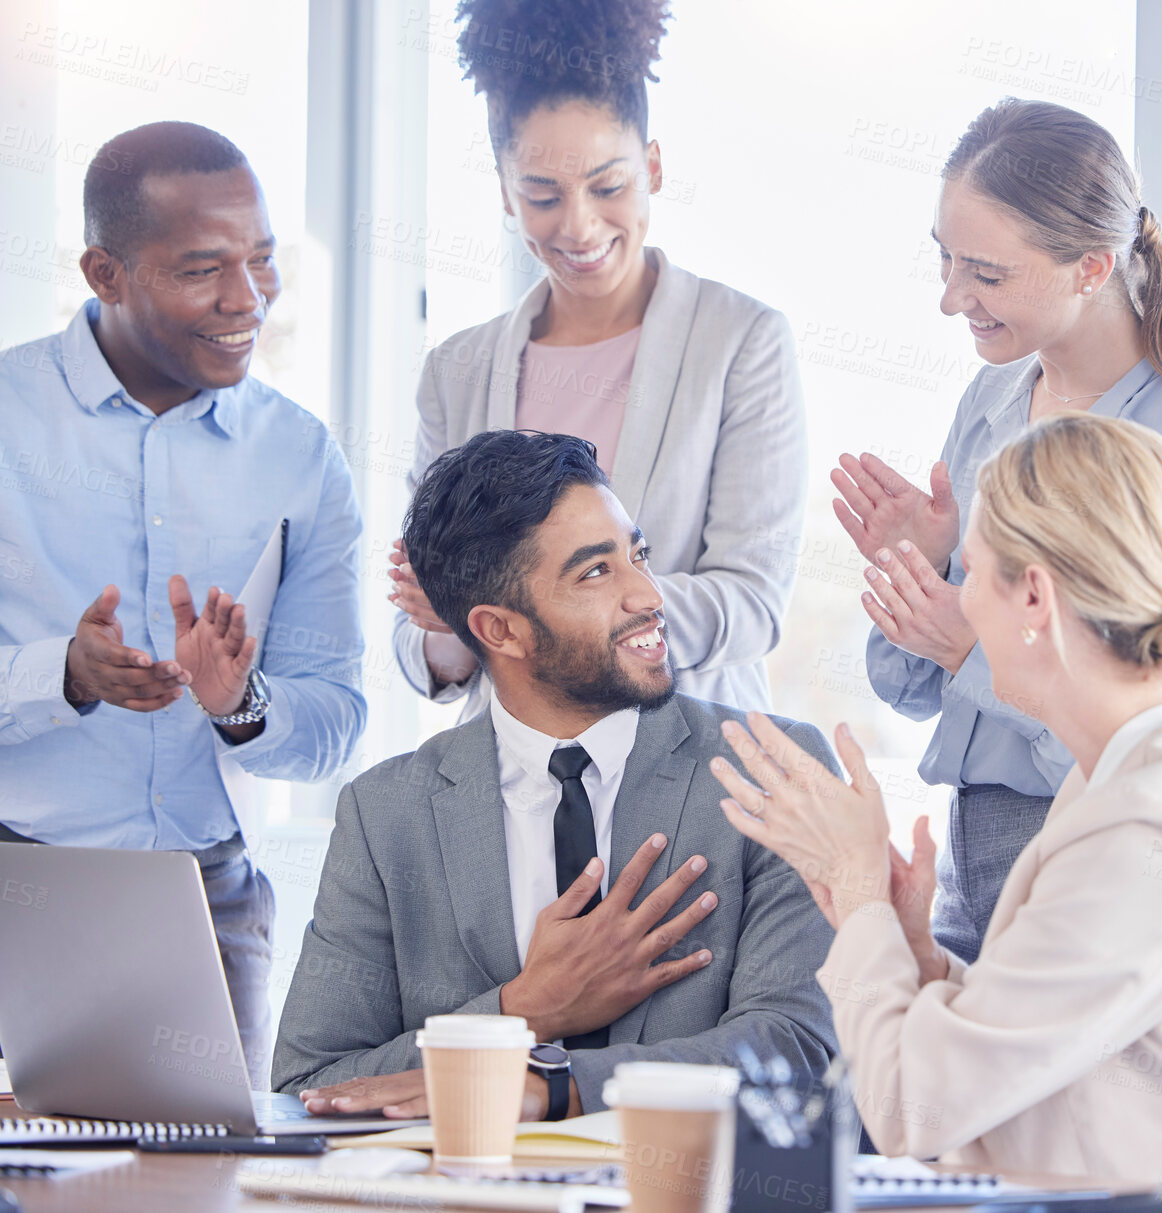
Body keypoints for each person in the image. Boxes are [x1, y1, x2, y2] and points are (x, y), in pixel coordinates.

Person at [714, 413, 1162, 1185]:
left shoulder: (1148, 823)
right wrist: (915, 951)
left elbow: (913, 1108)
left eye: (971, 574)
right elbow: (1037, 1040)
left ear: (1034, 594)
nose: (964, 603)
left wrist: (858, 884)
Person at [274, 430, 836, 1120]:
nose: (647, 594)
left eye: (638, 555)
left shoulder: (772, 767)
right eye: (596, 572)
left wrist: (552, 1085)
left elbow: (801, 1050)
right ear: (500, 630)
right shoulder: (386, 811)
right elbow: (312, 1081)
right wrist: (523, 1010)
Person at [832, 99, 1162, 964]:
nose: (953, 299)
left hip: (1106, 866)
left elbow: (1161, 751)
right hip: (974, 850)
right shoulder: (992, 401)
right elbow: (910, 690)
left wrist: (968, 646)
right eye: (945, 260)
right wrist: (921, 564)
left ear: (1092, 267)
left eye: (985, 273)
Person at [0, 122, 366, 1087]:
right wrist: (62, 675)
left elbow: (333, 717)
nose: (246, 300)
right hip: (18, 880)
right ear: (104, 272)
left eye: (262, 261)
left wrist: (238, 703)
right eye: (204, 268)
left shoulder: (300, 456)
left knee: (199, 1194)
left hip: (211, 902)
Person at [388, 0, 804, 719]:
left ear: (653, 167)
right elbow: (423, 641)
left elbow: (751, 602)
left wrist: (538, 606)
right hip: (509, 775)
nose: (578, 226)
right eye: (542, 195)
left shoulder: (741, 340)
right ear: (505, 193)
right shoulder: (455, 371)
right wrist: (452, 620)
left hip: (684, 764)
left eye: (608, 186)